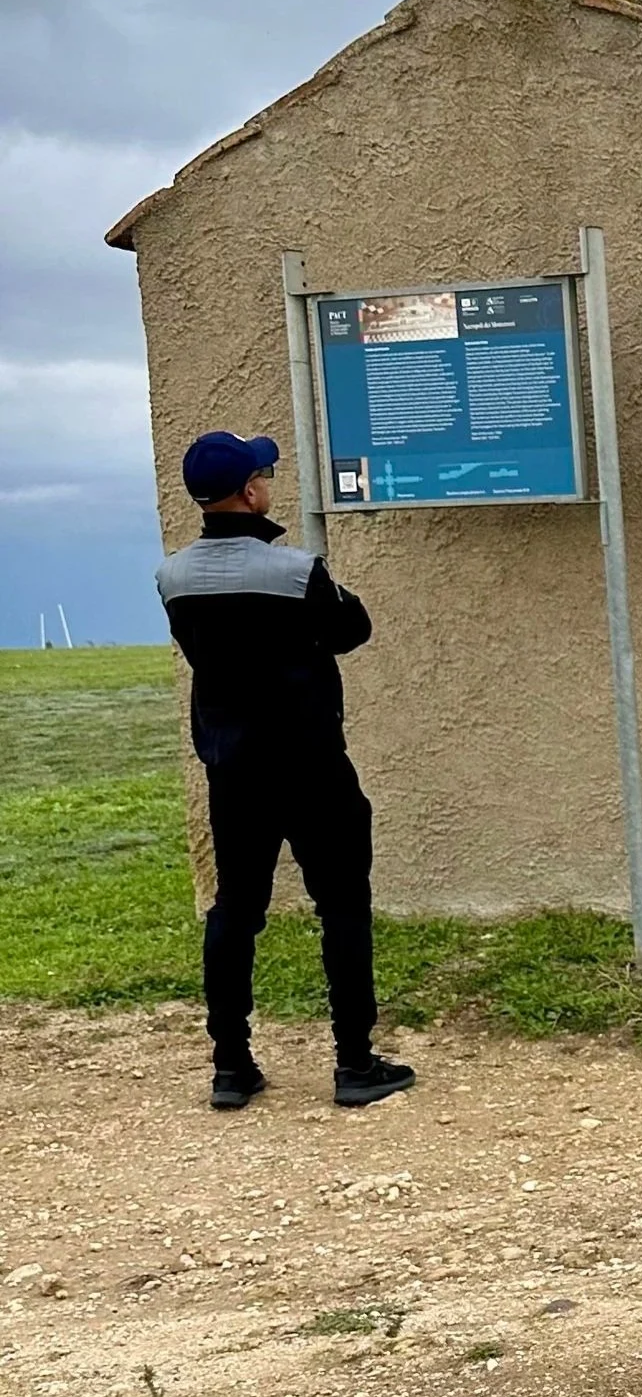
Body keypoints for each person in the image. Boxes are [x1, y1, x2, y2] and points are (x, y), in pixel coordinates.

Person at [156, 432, 415, 1111]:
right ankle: (355, 1063)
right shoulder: (297, 571)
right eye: (265, 474)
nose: (270, 482)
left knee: (236, 909)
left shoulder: (172, 577)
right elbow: (350, 631)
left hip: (232, 768)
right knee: (342, 906)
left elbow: (199, 648)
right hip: (310, 765)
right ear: (250, 492)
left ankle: (231, 1066)